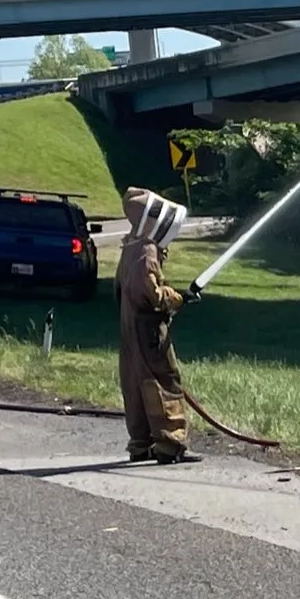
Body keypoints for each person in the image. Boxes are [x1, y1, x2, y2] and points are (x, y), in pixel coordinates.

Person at [117, 188, 200, 464]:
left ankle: (140, 444)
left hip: (131, 328)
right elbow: (150, 293)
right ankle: (170, 443)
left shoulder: (130, 246)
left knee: (136, 383)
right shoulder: (146, 251)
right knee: (163, 380)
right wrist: (178, 298)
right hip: (149, 329)